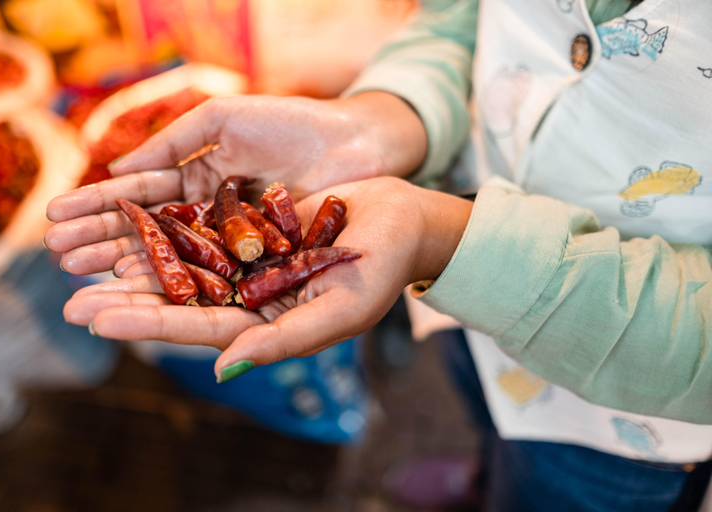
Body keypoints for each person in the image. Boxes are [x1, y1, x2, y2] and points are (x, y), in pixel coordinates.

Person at [44, 0, 712, 509]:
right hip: (462, 287)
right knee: (483, 401)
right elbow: (461, 19)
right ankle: (482, 471)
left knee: (559, 489)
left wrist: (436, 235)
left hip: (631, 419)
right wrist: (378, 121)